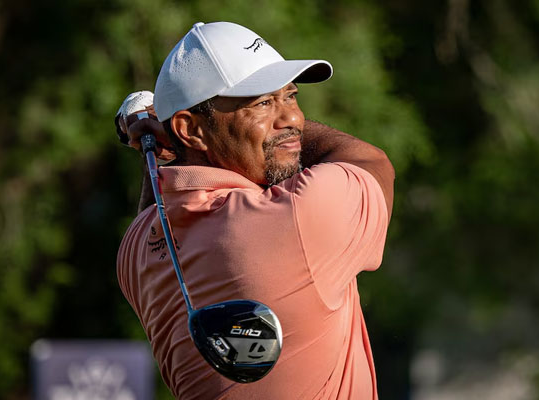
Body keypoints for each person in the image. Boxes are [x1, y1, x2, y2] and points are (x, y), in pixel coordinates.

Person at [116, 21, 394, 399]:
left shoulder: (135, 251)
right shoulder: (299, 216)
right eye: (262, 103)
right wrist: (166, 130)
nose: (293, 119)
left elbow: (156, 206)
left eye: (290, 96)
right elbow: (370, 161)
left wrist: (161, 138)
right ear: (191, 130)